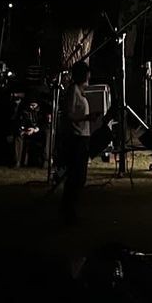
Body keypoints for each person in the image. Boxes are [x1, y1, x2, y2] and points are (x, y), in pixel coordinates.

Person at [59, 59, 91, 223]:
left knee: (80, 176)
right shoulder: (73, 91)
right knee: (76, 176)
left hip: (83, 135)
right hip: (76, 137)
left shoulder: (81, 91)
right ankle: (68, 210)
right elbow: (69, 115)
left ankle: (71, 209)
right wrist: (86, 117)